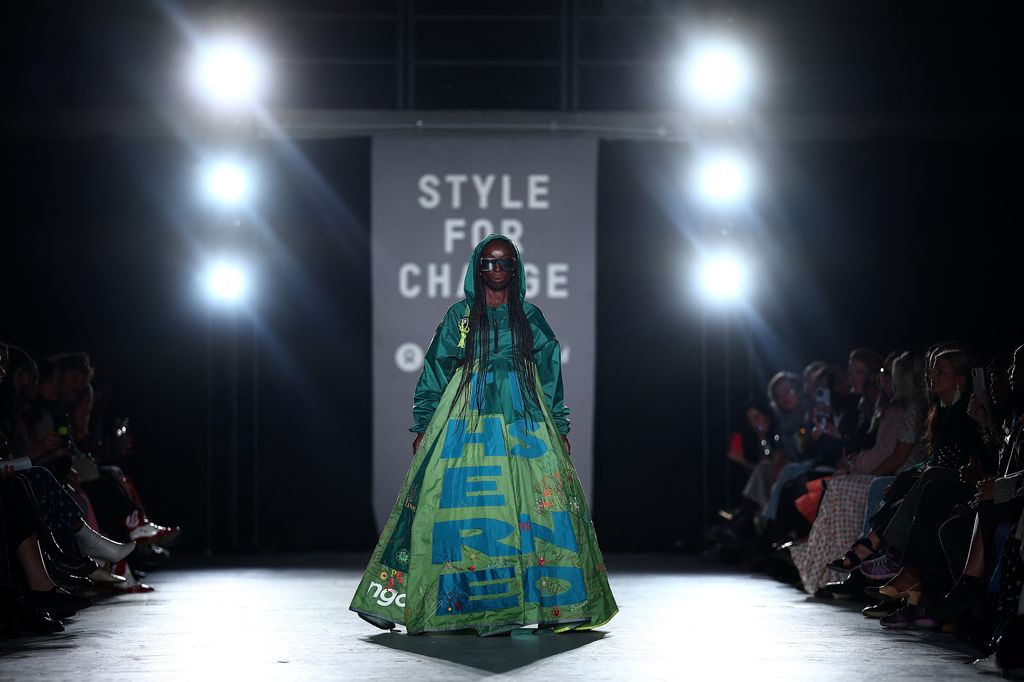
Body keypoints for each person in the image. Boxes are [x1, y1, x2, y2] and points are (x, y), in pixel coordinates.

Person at [350, 235, 617, 636]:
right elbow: (436, 371)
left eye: (504, 263)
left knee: (539, 505)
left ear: (516, 269)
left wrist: (559, 427)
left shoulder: (530, 318)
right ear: (478, 269)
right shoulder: (459, 316)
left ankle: (559, 604)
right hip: (465, 420)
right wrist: (423, 425)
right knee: (450, 506)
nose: (496, 270)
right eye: (489, 263)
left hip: (523, 423)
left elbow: (549, 377)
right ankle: (441, 605)